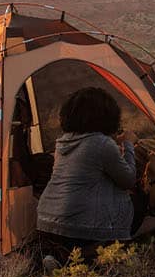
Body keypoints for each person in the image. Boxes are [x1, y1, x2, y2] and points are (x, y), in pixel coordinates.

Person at [31, 85, 146, 260]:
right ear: (106, 116)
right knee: (139, 199)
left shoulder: (63, 142)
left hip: (46, 223)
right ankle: (98, 251)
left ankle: (61, 255)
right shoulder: (101, 144)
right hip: (77, 228)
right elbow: (128, 180)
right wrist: (129, 145)